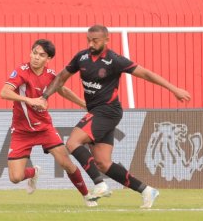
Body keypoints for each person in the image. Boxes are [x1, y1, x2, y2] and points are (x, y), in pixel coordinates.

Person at [37, 24, 191, 208]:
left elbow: (146, 74)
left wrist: (174, 89)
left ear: (106, 40)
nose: (91, 44)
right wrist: (45, 96)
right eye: (89, 40)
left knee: (72, 142)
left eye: (95, 40)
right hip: (96, 111)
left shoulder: (114, 60)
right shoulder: (82, 57)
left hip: (108, 110)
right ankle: (147, 191)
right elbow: (61, 78)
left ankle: (100, 184)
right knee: (103, 163)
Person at [0, 39, 97, 207]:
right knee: (15, 177)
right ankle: (34, 172)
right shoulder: (21, 71)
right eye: (34, 53)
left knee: (67, 164)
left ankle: (87, 196)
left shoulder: (51, 75)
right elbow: (4, 92)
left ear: (49, 59)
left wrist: (84, 104)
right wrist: (29, 100)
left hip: (44, 128)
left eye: (41, 55)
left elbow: (63, 90)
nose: (36, 57)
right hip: (21, 131)